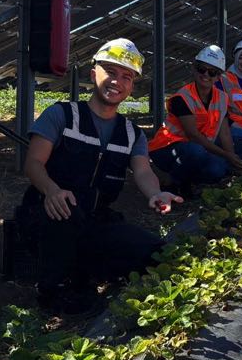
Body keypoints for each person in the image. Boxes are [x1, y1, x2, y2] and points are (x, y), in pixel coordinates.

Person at [19, 38, 182, 315]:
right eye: (111, 71)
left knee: (157, 253)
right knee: (66, 213)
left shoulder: (132, 133)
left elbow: (143, 170)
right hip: (50, 213)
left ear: (131, 86)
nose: (117, 81)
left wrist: (155, 193)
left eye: (126, 76)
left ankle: (89, 267)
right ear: (94, 73)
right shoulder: (62, 115)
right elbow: (33, 163)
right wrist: (51, 190)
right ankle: (54, 289)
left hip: (96, 218)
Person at [149, 45, 242, 188]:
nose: (206, 75)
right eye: (202, 69)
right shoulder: (182, 97)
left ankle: (189, 179)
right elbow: (193, 135)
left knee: (218, 170)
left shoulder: (222, 98)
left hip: (198, 149)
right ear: (194, 69)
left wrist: (232, 159)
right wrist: (227, 155)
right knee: (196, 151)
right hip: (165, 149)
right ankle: (173, 182)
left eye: (212, 72)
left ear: (219, 77)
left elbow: (224, 132)